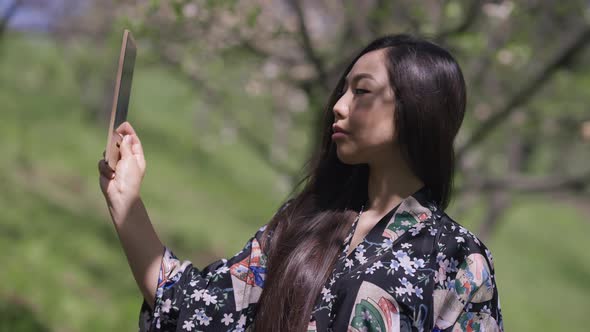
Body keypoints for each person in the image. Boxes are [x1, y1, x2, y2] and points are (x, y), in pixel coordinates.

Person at [98, 34, 503, 332]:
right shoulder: (307, 219)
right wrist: (125, 201)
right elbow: (198, 307)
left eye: (361, 91)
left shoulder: (459, 260)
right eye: (342, 90)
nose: (339, 107)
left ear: (417, 108)